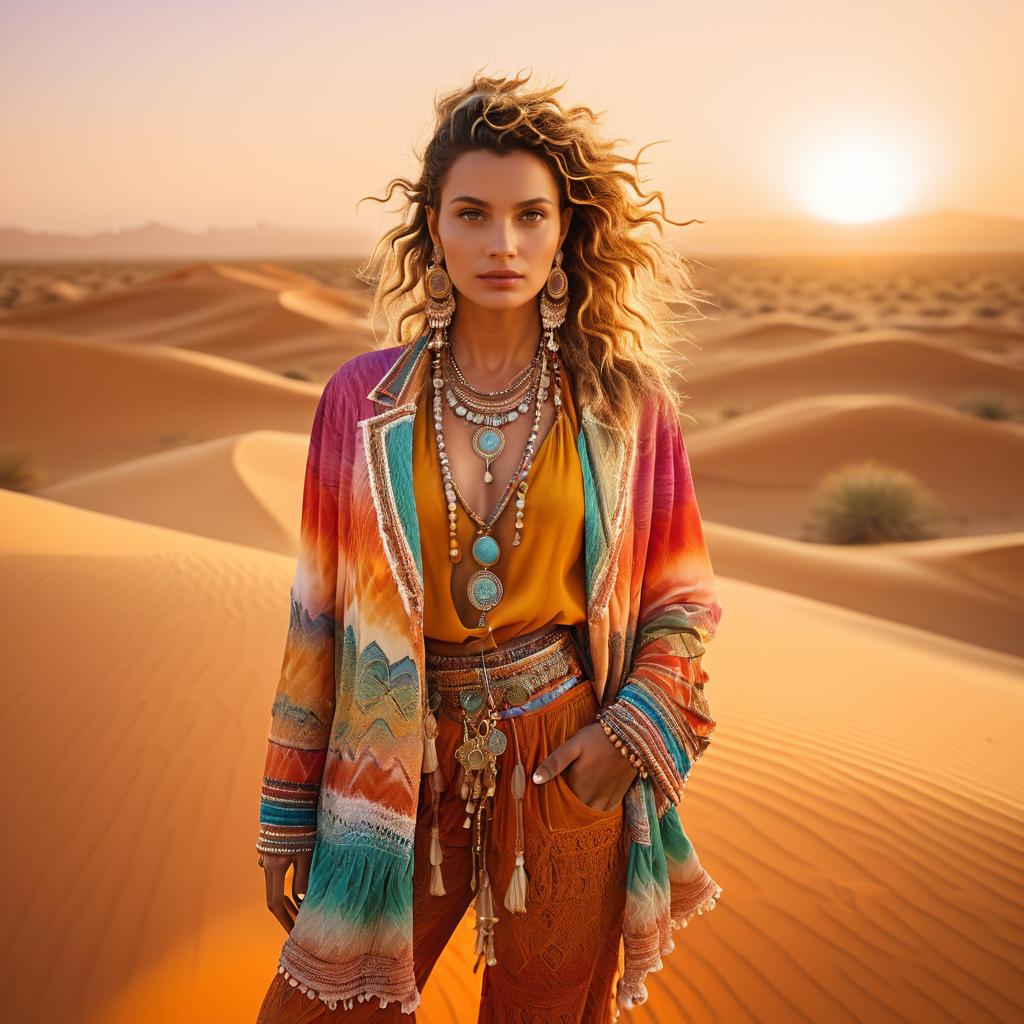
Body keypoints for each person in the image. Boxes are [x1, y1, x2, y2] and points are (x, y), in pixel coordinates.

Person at [254, 70, 724, 1024]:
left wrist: (625, 740)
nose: (500, 243)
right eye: (472, 213)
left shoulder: (623, 409)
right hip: (391, 758)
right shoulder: (361, 401)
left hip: (565, 759)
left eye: (529, 216)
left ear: (563, 234)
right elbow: (319, 616)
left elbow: (685, 602)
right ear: (433, 228)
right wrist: (286, 806)